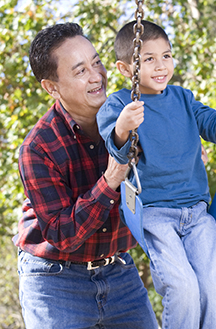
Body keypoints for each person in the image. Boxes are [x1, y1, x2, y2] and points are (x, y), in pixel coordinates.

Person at [97, 20, 216, 329]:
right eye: (148, 59)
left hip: (198, 214)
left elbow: (215, 125)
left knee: (213, 289)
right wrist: (123, 127)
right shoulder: (120, 104)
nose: (161, 66)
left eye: (167, 55)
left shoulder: (183, 99)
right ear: (124, 69)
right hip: (155, 215)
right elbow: (118, 152)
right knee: (183, 288)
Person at [12, 22, 158, 329]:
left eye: (97, 63)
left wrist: (182, 152)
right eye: (80, 71)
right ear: (52, 87)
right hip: (54, 279)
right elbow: (63, 234)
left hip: (119, 270)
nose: (97, 77)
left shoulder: (134, 116)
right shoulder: (38, 148)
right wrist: (109, 181)